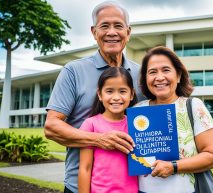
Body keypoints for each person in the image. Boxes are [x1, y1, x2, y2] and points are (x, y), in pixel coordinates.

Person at [44, 1, 144, 193]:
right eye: (104, 26)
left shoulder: (141, 75)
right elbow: (52, 127)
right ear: (94, 32)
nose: (112, 32)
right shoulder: (73, 71)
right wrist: (99, 139)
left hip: (132, 186)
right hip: (80, 186)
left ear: (128, 32)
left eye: (118, 26)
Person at [137, 46, 213, 193]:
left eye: (166, 70)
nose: (159, 77)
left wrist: (173, 167)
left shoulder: (193, 106)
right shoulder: (137, 110)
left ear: (179, 75)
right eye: (152, 72)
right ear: (146, 78)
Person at [78, 67, 138, 193]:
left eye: (122, 91)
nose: (116, 97)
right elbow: (85, 168)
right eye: (109, 91)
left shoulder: (136, 124)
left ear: (131, 94)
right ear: (100, 94)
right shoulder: (90, 125)